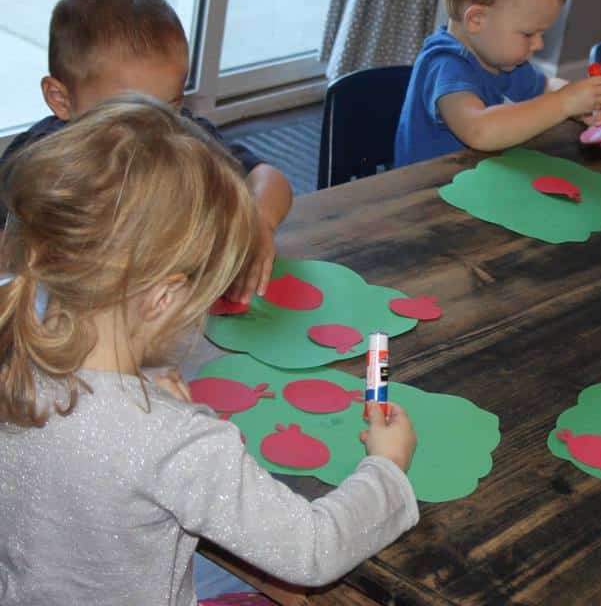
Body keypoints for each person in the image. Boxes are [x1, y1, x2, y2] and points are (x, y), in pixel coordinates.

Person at [0, 97, 419, 606]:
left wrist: (145, 386)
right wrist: (387, 469)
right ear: (163, 298)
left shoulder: (15, 361)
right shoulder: (180, 444)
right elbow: (312, 549)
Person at [0, 0, 293, 304]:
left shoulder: (179, 136)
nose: (153, 129)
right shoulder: (35, 162)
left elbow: (268, 178)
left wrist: (258, 222)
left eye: (170, 106)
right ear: (61, 99)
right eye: (128, 113)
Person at [393, 0, 601, 168]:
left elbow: (544, 87)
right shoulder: (445, 65)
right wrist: (565, 102)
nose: (539, 45)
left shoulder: (503, 59)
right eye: (528, 34)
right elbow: (480, 130)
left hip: (481, 183)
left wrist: (582, 102)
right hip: (427, 199)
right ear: (477, 20)